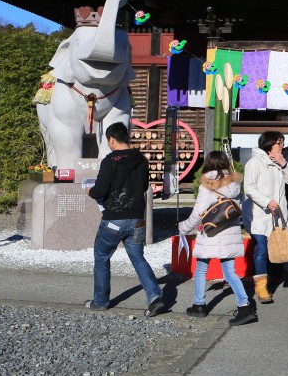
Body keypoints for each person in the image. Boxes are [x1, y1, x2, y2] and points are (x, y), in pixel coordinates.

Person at [85, 122, 165, 316]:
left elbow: (100, 190)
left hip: (114, 219)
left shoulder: (110, 161)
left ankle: (101, 301)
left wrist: (90, 191)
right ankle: (154, 297)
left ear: (112, 139)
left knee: (102, 257)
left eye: (108, 141)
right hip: (137, 218)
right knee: (138, 258)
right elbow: (144, 186)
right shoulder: (142, 160)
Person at [177, 151, 256, 325]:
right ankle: (245, 306)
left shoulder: (208, 183)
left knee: (201, 268)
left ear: (208, 163)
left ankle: (199, 305)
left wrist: (184, 227)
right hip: (229, 233)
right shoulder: (234, 184)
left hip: (211, 233)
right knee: (230, 272)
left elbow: (198, 212)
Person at [244, 131, 288, 303]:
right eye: (279, 142)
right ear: (270, 143)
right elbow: (249, 188)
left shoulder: (279, 162)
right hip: (258, 214)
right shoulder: (255, 162)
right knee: (261, 248)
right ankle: (261, 287)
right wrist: (267, 202)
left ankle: (271, 277)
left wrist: (283, 163)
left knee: (273, 248)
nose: (282, 146)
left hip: (277, 214)